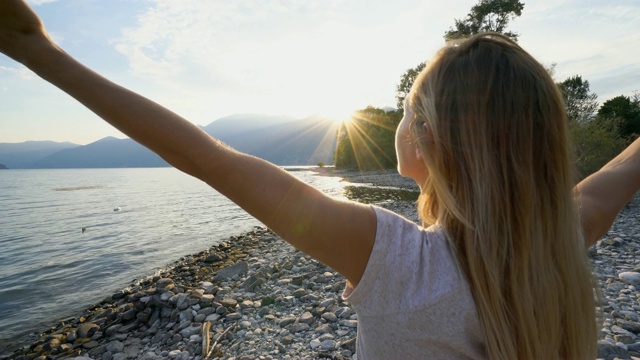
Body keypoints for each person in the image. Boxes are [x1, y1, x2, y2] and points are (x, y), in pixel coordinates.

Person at [1, 1, 639, 358]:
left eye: (409, 107)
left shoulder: (394, 258)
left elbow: (205, 156)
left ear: (429, 139)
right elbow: (622, 169)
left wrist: (41, 54)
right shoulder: (559, 240)